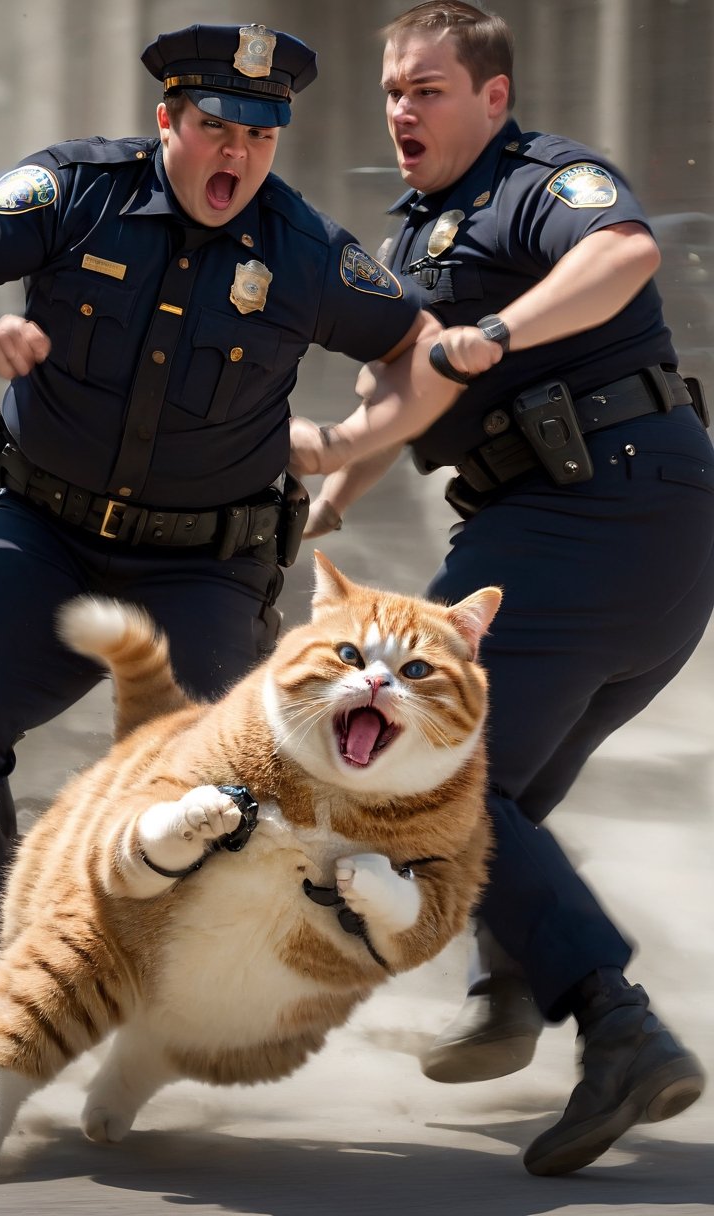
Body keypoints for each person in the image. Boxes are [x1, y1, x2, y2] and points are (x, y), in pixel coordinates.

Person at [0, 22, 451, 1067]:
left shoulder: (307, 252)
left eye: (260, 133)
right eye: (214, 126)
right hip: (43, 534)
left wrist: (354, 439)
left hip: (202, 566)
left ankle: (148, 996)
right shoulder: (73, 192)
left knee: (218, 799)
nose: (236, 152)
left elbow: (421, 350)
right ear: (167, 122)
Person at [289, 0, 714, 1178]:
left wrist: (503, 333)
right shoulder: (420, 234)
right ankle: (510, 989)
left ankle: (615, 1028)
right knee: (492, 785)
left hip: (597, 510)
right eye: (390, 91)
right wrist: (329, 481)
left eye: (426, 89)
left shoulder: (542, 181)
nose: (401, 110)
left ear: (492, 96)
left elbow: (623, 254)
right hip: (612, 526)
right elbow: (410, 386)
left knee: (433, 781)